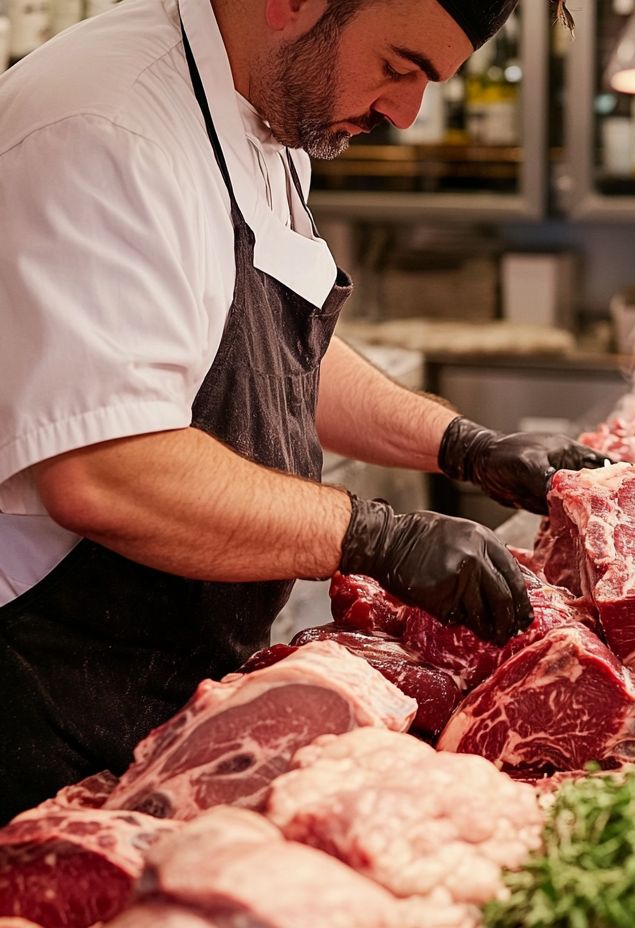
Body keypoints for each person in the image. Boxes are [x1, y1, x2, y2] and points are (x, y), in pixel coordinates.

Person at [0, 0, 600, 820]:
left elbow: (277, 351)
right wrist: (375, 537)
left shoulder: (261, 115)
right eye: (398, 65)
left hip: (165, 694)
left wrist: (464, 446)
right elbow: (106, 469)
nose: (405, 113)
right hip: (41, 710)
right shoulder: (104, 132)